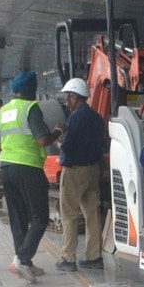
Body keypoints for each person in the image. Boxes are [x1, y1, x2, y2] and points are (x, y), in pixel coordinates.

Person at [0, 70, 63, 284]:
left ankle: (24, 263)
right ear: (32, 91)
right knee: (40, 217)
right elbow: (42, 140)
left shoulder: (1, 111)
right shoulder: (30, 108)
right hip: (28, 167)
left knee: (18, 217)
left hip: (6, 167)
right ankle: (22, 259)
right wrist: (58, 131)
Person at [54, 77, 106, 272]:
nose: (67, 101)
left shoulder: (75, 117)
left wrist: (56, 141)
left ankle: (68, 258)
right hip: (93, 170)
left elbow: (67, 146)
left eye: (68, 97)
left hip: (74, 171)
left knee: (69, 214)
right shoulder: (97, 117)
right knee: (92, 214)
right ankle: (94, 256)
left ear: (75, 97)